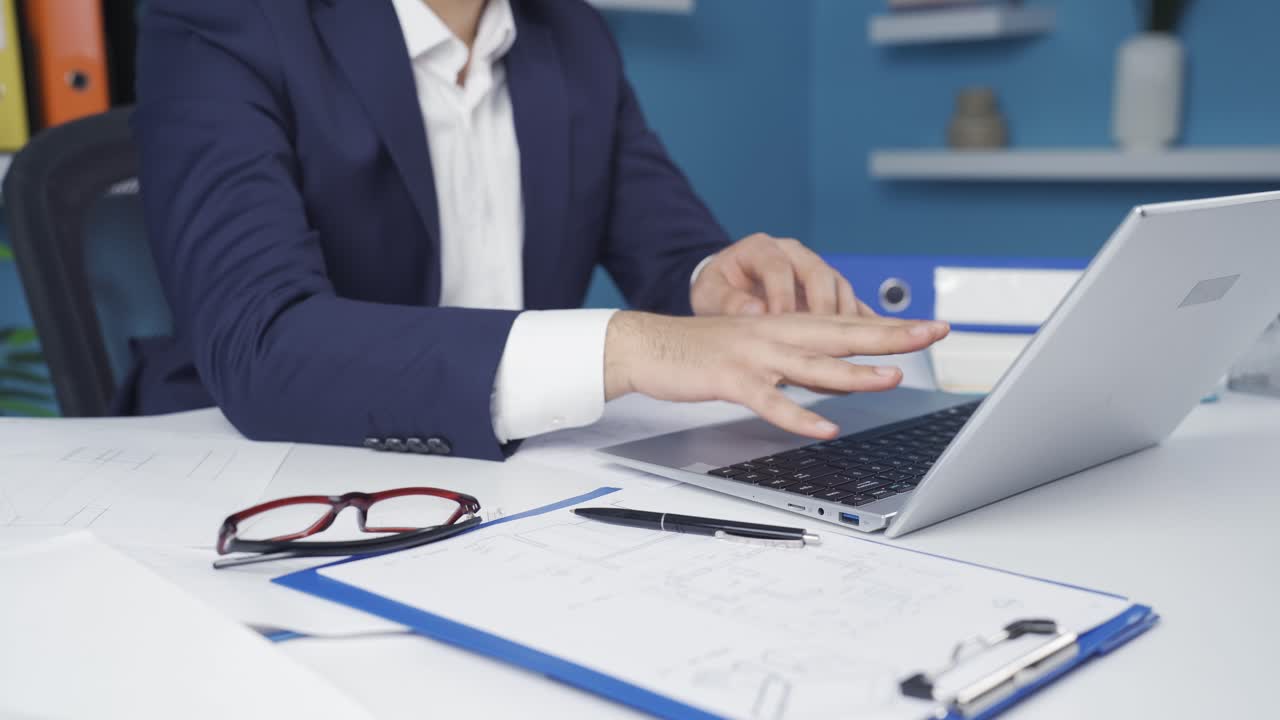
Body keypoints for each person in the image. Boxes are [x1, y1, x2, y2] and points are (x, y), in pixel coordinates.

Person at [122, 0, 950, 461]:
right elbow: (262, 343)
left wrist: (712, 284)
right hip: (266, 471)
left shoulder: (573, 34)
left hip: (524, 474)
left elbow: (664, 247)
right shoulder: (224, 16)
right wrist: (630, 348)